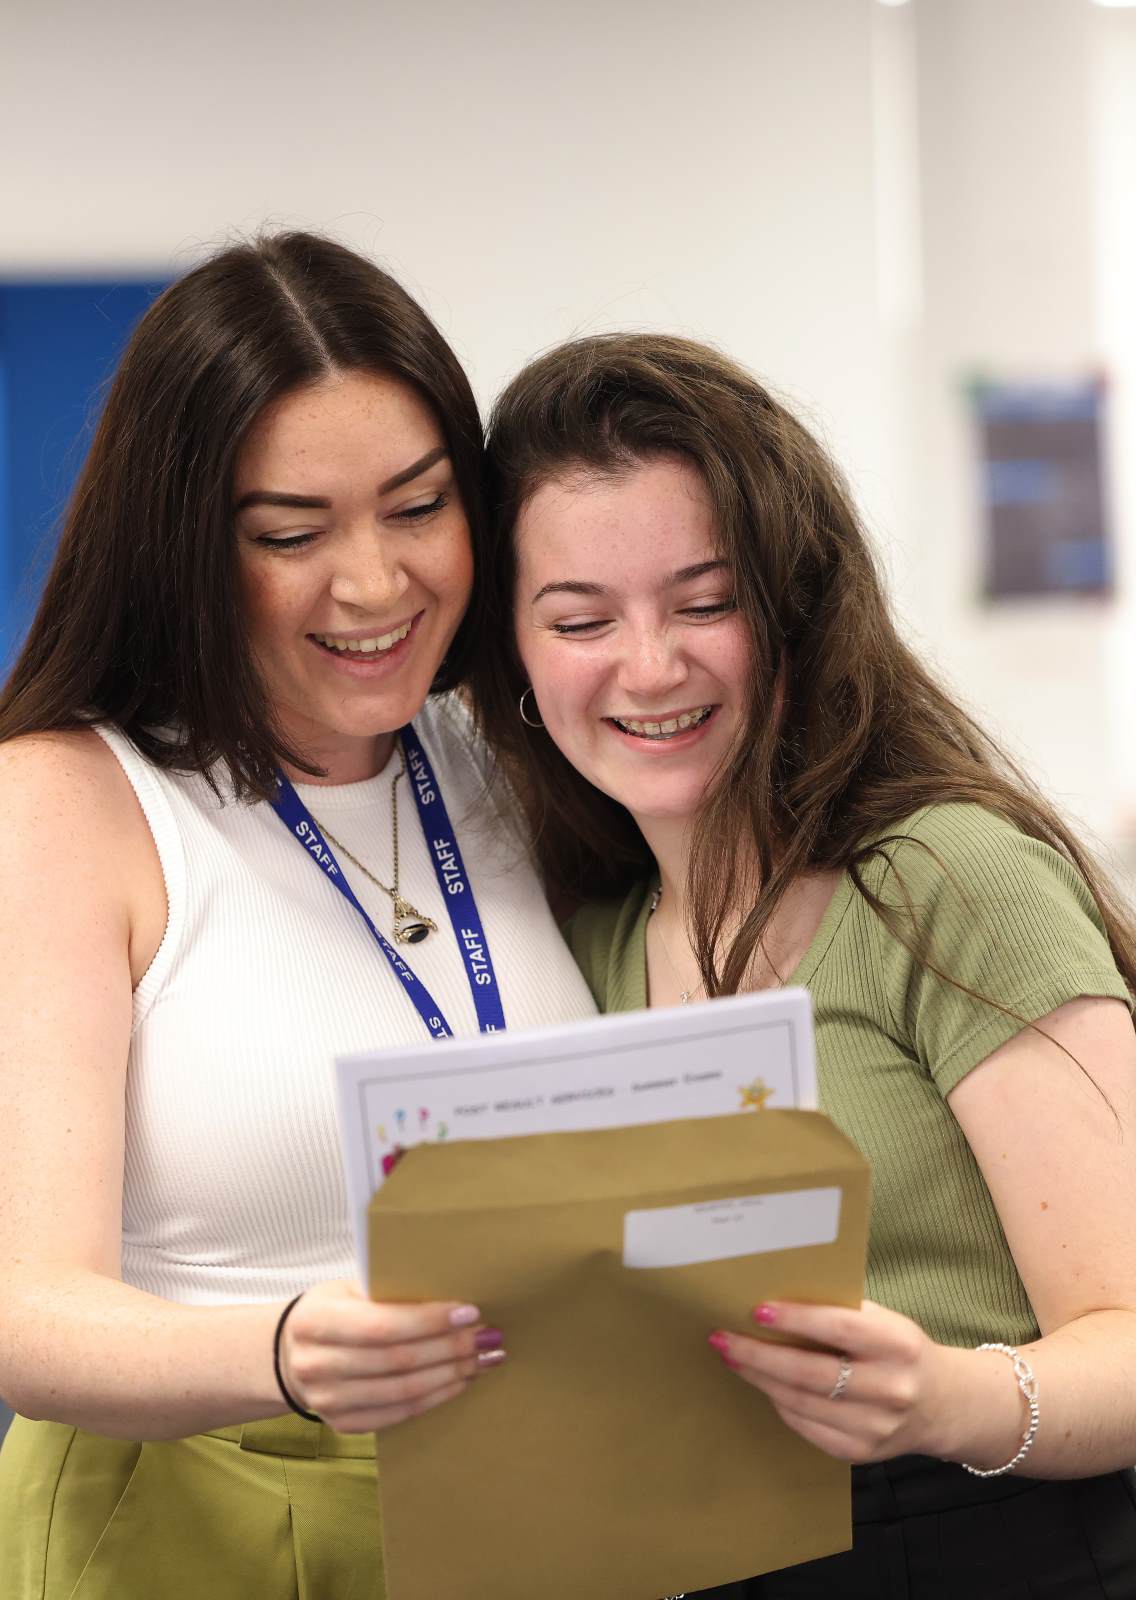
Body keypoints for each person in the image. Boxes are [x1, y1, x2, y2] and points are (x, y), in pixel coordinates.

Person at [467, 332, 1136, 1596]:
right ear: (513, 656)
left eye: (703, 602)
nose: (650, 665)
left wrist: (945, 1395)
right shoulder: (585, 938)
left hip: (989, 1539)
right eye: (580, 619)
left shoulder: (947, 878)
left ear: (794, 610)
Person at [0, 232, 596, 1600]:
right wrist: (284, 1348)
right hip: (201, 1511)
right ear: (183, 548)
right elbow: (28, 1312)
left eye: (417, 506)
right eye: (290, 534)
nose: (374, 584)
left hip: (522, 1503)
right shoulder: (67, 802)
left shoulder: (509, 758)